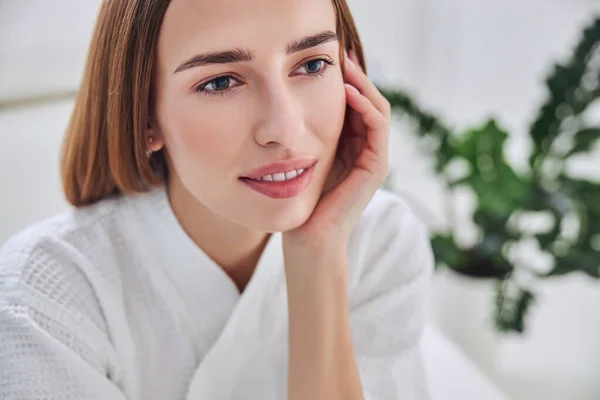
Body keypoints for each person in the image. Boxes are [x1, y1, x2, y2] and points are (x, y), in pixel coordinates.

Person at [0, 0, 434, 398]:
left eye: (312, 64)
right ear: (145, 115)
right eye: (221, 81)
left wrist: (318, 254)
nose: (284, 128)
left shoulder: (382, 241)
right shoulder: (45, 296)